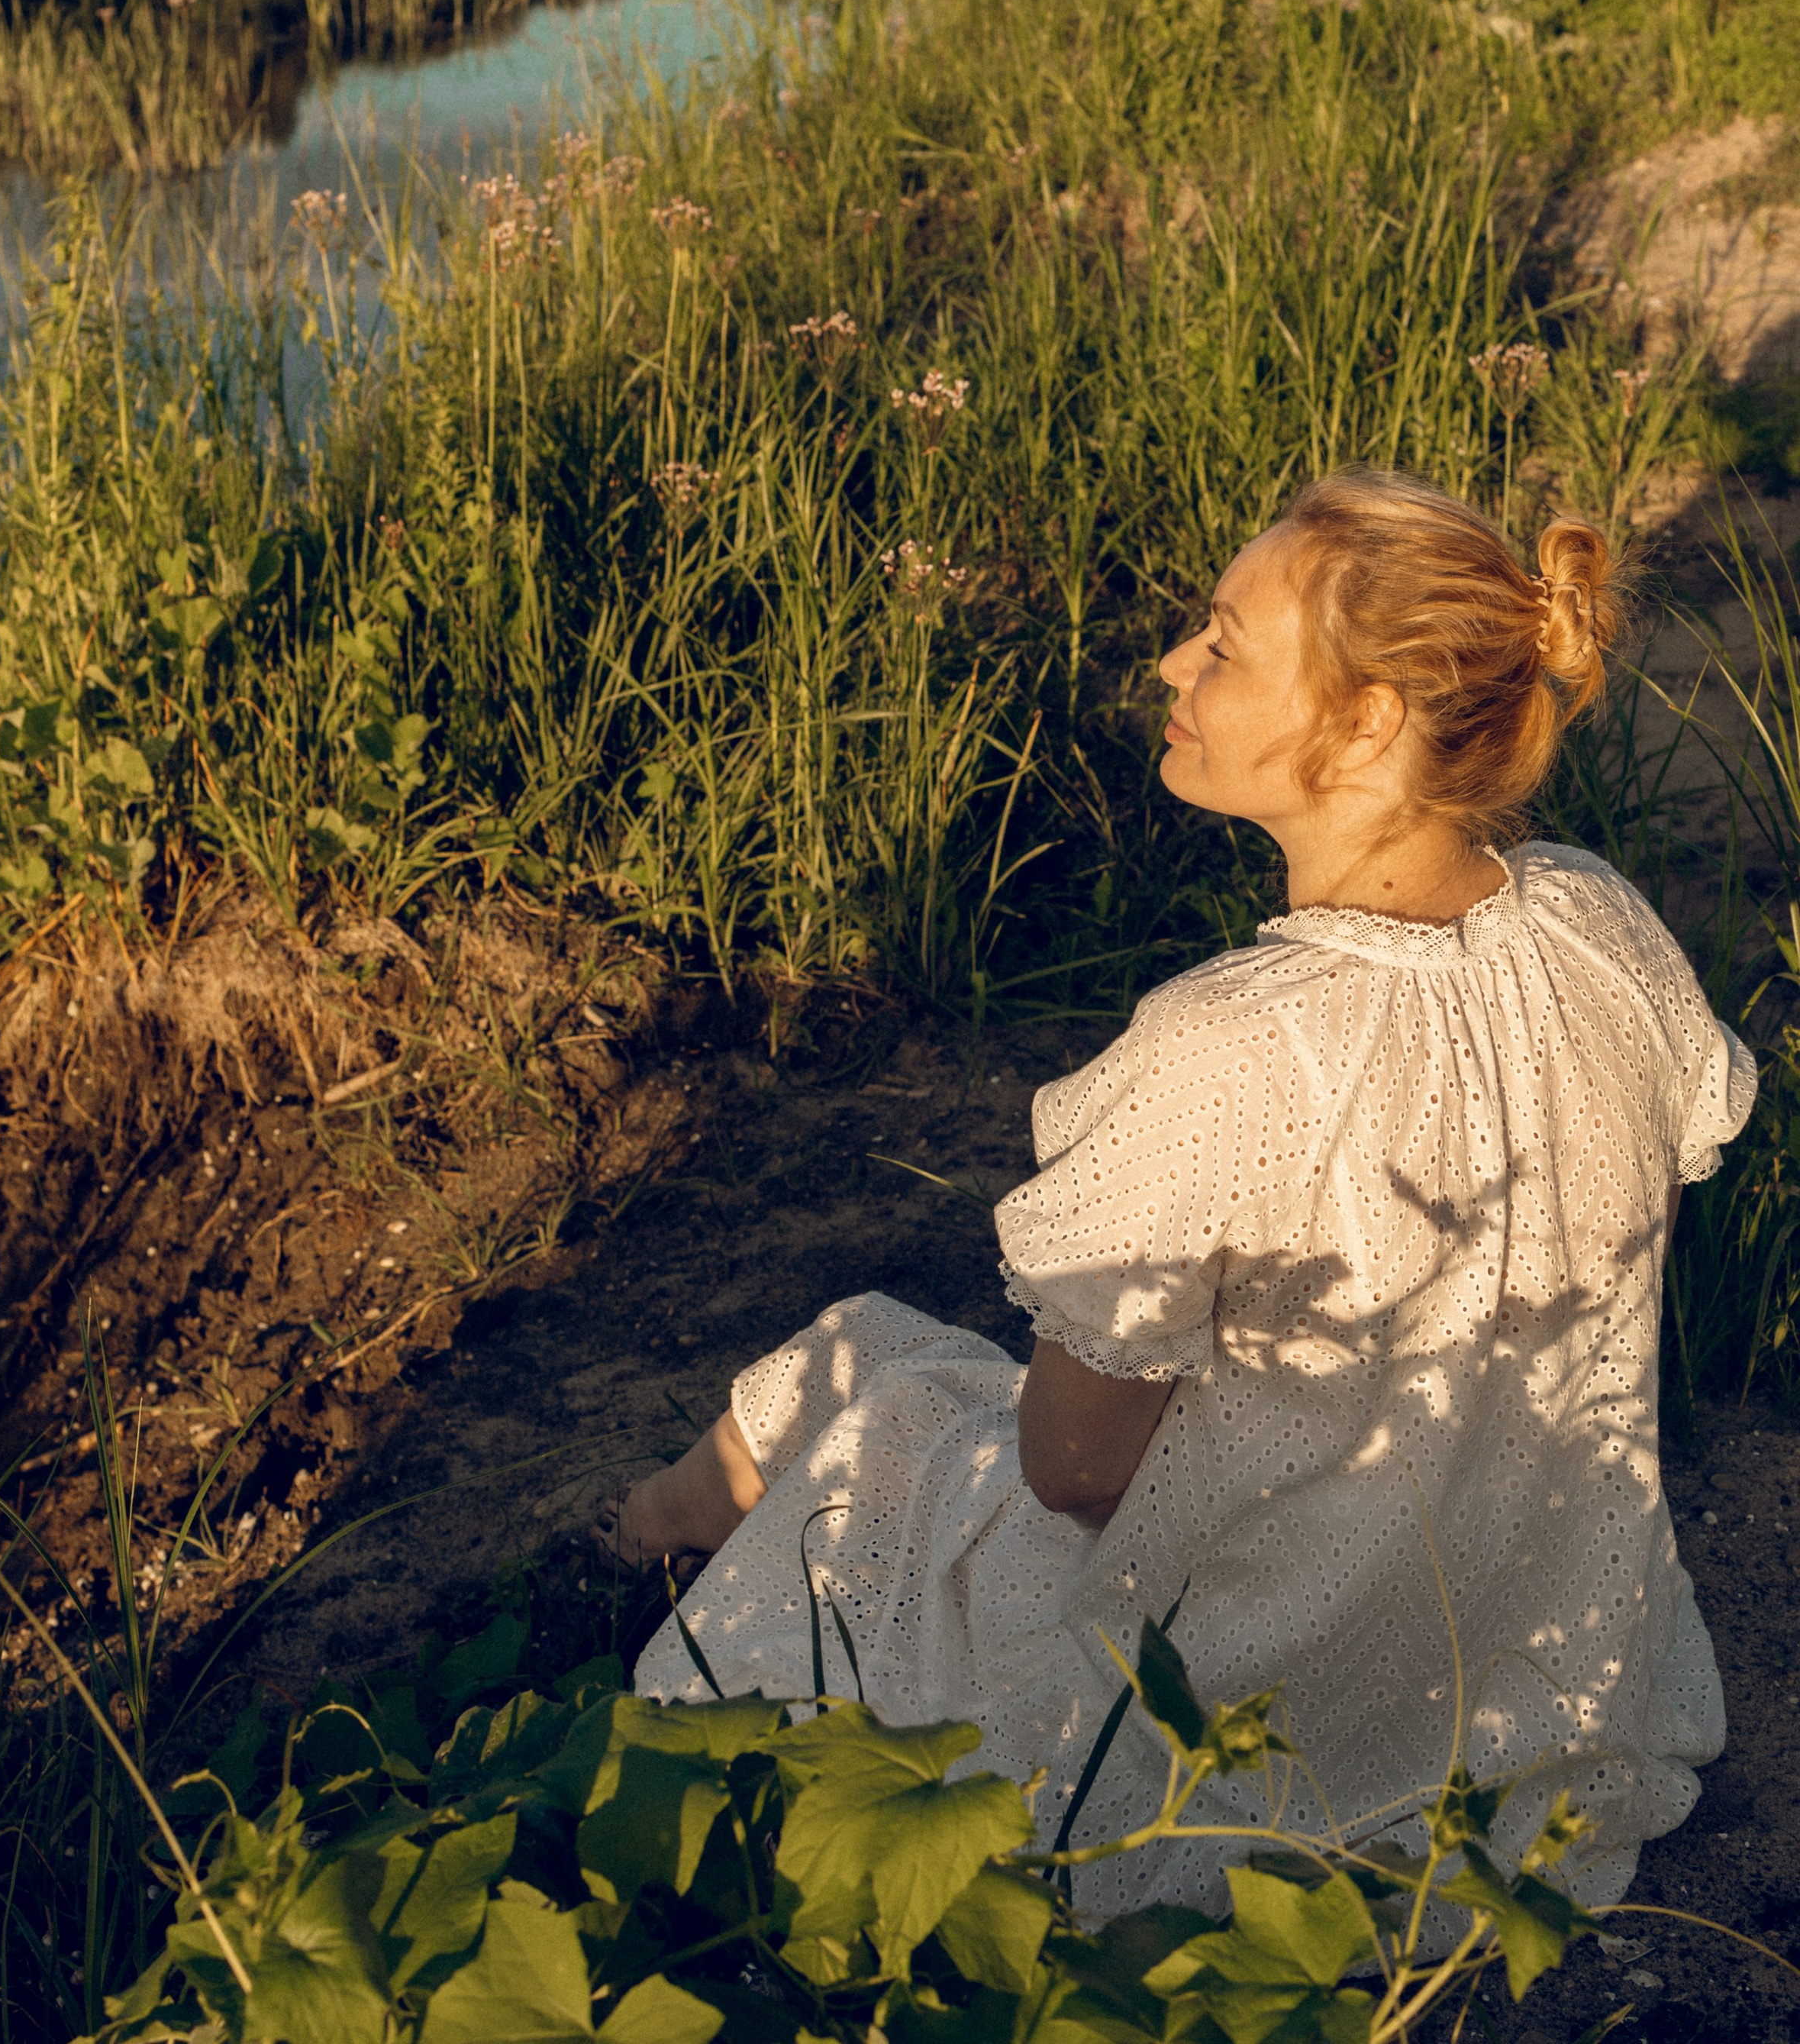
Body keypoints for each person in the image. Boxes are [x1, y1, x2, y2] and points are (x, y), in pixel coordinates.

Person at [603, 470, 1756, 1918]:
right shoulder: (1599, 926)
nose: (1171, 665)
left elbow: (1075, 1476)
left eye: (1223, 641)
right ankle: (649, 1538)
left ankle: (631, 1554)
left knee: (872, 1385)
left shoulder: (1232, 1046)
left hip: (1260, 1699)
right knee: (891, 1381)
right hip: (1531, 1668)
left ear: (1370, 721)